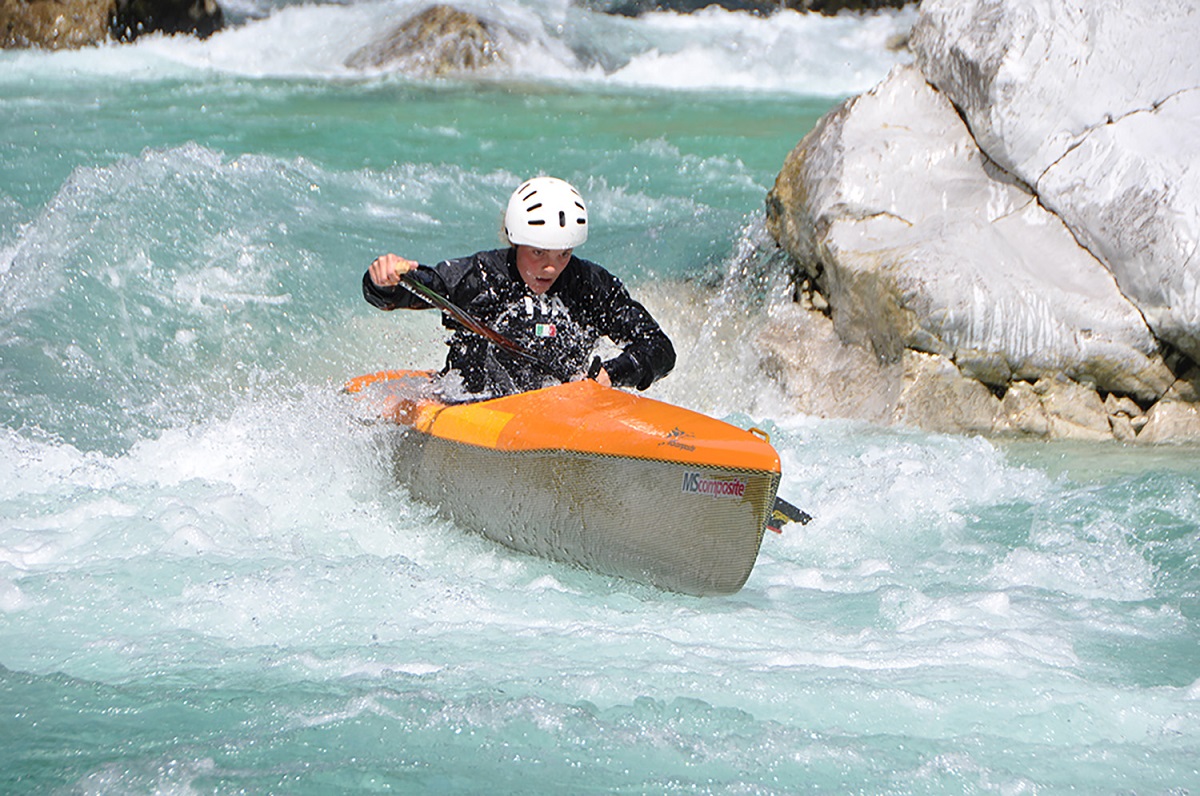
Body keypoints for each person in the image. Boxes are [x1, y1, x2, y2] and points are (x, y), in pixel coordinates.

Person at [363, 176, 675, 400]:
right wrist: (383, 281)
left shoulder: (589, 285)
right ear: (515, 241)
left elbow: (658, 348)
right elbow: (415, 288)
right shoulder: (480, 275)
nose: (551, 267)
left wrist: (614, 372)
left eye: (563, 254)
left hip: (558, 411)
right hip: (473, 405)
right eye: (538, 253)